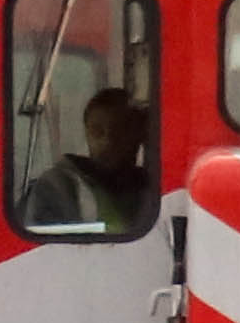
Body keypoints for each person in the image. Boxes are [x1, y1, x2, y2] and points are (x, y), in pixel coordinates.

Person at [37, 85, 154, 234]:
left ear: (140, 134)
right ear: (86, 134)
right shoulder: (57, 187)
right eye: (97, 131)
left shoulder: (153, 188)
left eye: (120, 130)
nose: (107, 141)